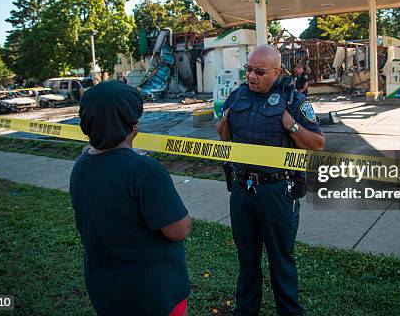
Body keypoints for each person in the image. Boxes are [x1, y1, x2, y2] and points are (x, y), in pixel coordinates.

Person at [216, 45, 325, 316]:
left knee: (281, 260)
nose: (251, 76)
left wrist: (292, 125)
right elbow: (224, 136)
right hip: (242, 189)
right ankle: (246, 310)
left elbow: (318, 144)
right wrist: (225, 122)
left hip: (276, 190)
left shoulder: (294, 100)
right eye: (248, 69)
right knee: (247, 257)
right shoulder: (237, 96)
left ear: (276, 72)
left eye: (259, 71)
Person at [70, 81, 192, 316]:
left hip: (106, 289)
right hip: (153, 292)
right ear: (134, 124)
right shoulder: (146, 170)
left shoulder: (81, 164)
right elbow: (178, 230)